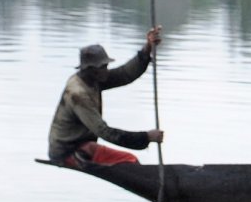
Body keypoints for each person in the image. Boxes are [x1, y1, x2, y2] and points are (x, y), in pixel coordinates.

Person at [47, 27, 164, 168]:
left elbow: (125, 74)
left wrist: (147, 48)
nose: (106, 70)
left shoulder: (93, 79)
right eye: (103, 67)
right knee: (129, 161)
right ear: (91, 69)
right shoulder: (78, 94)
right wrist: (146, 137)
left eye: (106, 66)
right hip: (67, 151)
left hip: (81, 144)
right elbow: (104, 132)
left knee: (129, 161)